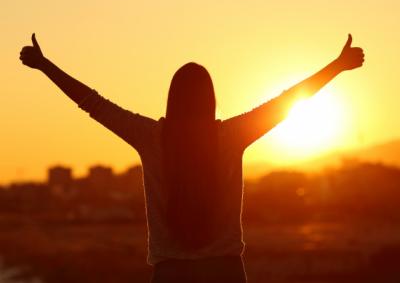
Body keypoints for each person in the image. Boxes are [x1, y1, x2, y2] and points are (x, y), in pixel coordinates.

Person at [19, 34, 364, 282]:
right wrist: (337, 66)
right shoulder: (230, 137)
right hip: (226, 272)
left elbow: (92, 102)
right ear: (210, 100)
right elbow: (287, 103)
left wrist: (44, 65)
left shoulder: (151, 137)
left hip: (170, 273)